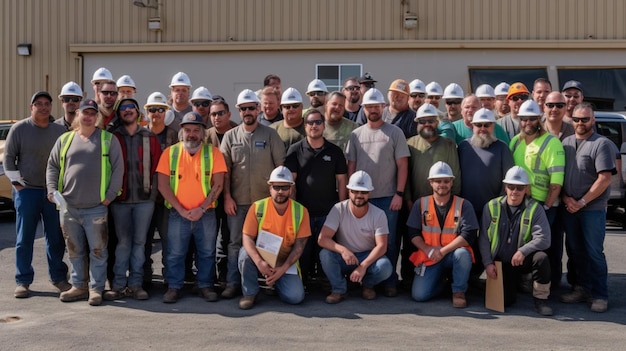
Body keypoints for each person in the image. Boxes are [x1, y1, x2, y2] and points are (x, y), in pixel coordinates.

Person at [46, 98, 124, 306]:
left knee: (98, 250)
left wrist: (110, 195)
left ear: (97, 117)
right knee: (75, 250)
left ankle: (96, 288)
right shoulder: (65, 140)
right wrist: (52, 189)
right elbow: (52, 166)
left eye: (92, 113)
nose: (88, 116)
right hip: (69, 207)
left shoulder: (108, 139)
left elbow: (118, 169)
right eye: (85, 112)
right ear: (78, 115)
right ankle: (78, 285)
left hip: (96, 207)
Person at [220, 89, 285, 299]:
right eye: (243, 108)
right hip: (238, 203)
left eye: (251, 107)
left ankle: (272, 281)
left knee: (269, 243)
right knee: (235, 243)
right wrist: (227, 197)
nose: (247, 111)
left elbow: (280, 168)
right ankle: (233, 283)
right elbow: (225, 172)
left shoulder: (271, 135)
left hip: (266, 204)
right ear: (238, 111)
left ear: (258, 109)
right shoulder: (230, 137)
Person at [4, 91, 70, 299]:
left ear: (51, 107)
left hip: (53, 193)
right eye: (38, 104)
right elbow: (8, 158)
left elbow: (66, 159)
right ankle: (23, 280)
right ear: (31, 107)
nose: (43, 107)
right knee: (25, 238)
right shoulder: (19, 129)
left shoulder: (59, 130)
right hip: (28, 191)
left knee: (55, 238)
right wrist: (17, 184)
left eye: (46, 104)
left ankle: (59, 278)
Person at [156, 111, 227, 303]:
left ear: (203, 133)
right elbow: (162, 185)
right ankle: (174, 287)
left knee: (207, 252)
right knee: (175, 253)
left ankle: (205, 286)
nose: (192, 134)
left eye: (196, 130)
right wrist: (181, 210)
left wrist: (201, 209)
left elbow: (218, 185)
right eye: (188, 130)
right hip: (179, 214)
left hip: (206, 213)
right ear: (181, 132)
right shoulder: (170, 153)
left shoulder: (213, 153)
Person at [346, 88, 410, 297]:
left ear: (383, 107)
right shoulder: (356, 134)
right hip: (362, 199)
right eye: (369, 106)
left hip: (387, 198)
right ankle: (369, 283)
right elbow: (351, 165)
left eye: (376, 106)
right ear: (363, 108)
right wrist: (350, 194)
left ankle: (390, 281)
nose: (373, 109)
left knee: (388, 243)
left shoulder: (394, 133)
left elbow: (402, 165)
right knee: (365, 243)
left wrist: (399, 194)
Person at [560, 103, 615, 313]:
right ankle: (581, 288)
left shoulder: (602, 144)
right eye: (576, 119)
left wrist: (582, 202)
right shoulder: (566, 143)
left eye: (585, 119)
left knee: (594, 252)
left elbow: (604, 178)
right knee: (575, 251)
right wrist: (567, 199)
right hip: (569, 207)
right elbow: (560, 176)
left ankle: (600, 294)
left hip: (592, 209)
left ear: (593, 120)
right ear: (571, 119)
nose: (580, 123)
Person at [105, 97, 161, 301]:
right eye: (123, 108)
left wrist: (153, 195)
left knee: (140, 243)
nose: (127, 111)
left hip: (145, 200)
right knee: (123, 243)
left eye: (131, 107)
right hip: (120, 201)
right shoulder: (112, 137)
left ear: (137, 112)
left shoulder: (149, 137)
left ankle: (136, 285)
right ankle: (119, 285)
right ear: (119, 113)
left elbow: (157, 169)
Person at [479, 166, 553, 316]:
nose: (515, 191)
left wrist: (522, 251)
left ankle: (541, 299)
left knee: (541, 258)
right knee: (507, 301)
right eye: (511, 187)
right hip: (501, 262)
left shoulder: (535, 209)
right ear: (505, 187)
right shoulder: (491, 206)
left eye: (519, 188)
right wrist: (488, 263)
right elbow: (484, 239)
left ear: (526, 189)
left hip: (522, 259)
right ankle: (518, 282)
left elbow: (544, 239)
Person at [285, 109, 348, 287]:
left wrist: (342, 208)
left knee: (325, 253)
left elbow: (342, 180)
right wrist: (292, 209)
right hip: (302, 212)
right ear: (305, 126)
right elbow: (291, 182)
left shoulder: (334, 151)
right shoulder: (295, 150)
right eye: (310, 123)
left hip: (328, 213)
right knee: (303, 252)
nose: (314, 126)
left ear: (323, 125)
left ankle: (325, 285)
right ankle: (302, 283)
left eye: (318, 122)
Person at [510, 100, 566, 288]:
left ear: (539, 119)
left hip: (544, 205)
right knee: (523, 244)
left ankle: (549, 287)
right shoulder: (515, 141)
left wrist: (546, 206)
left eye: (532, 119)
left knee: (544, 247)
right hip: (523, 204)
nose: (527, 122)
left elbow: (556, 183)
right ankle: (525, 282)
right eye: (524, 119)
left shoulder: (551, 143)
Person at [238, 166, 311, 309]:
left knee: (296, 297)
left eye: (284, 187)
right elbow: (247, 237)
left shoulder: (301, 211)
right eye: (277, 187)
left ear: (291, 189)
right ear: (270, 188)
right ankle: (250, 294)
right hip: (262, 257)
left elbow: (299, 247)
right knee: (244, 254)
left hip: (285, 262)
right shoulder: (257, 208)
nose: (280, 192)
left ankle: (276, 284)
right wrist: (260, 262)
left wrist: (282, 269)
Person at [407, 162, 478, 307]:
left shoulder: (464, 205)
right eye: (438, 181)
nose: (442, 184)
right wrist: (428, 250)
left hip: (452, 254)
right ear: (430, 183)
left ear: (452, 182)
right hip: (430, 255)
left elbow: (469, 235)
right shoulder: (420, 204)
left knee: (463, 254)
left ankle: (458, 291)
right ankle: (444, 285)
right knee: (419, 295)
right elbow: (412, 232)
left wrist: (443, 251)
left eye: (446, 181)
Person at [318, 171, 392, 303]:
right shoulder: (338, 209)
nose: (359, 195)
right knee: (325, 255)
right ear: (349, 191)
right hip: (345, 256)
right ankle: (339, 290)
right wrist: (343, 250)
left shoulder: (379, 214)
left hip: (367, 256)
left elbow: (382, 246)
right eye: (355, 191)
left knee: (385, 267)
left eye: (363, 192)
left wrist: (363, 266)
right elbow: (322, 239)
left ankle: (367, 286)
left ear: (369, 193)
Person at [144, 92, 178, 286]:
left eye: (160, 109)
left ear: (166, 112)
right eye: (152, 110)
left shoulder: (174, 136)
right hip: (145, 198)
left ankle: (170, 280)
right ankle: (145, 278)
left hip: (167, 199)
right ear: (146, 112)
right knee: (144, 241)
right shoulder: (140, 134)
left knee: (169, 242)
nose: (156, 113)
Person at [206, 99, 238, 286]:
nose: (217, 117)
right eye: (213, 114)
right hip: (208, 196)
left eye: (220, 113)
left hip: (231, 196)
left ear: (228, 114)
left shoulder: (237, 133)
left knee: (227, 238)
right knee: (208, 240)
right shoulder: (204, 136)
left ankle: (226, 276)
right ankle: (210, 279)